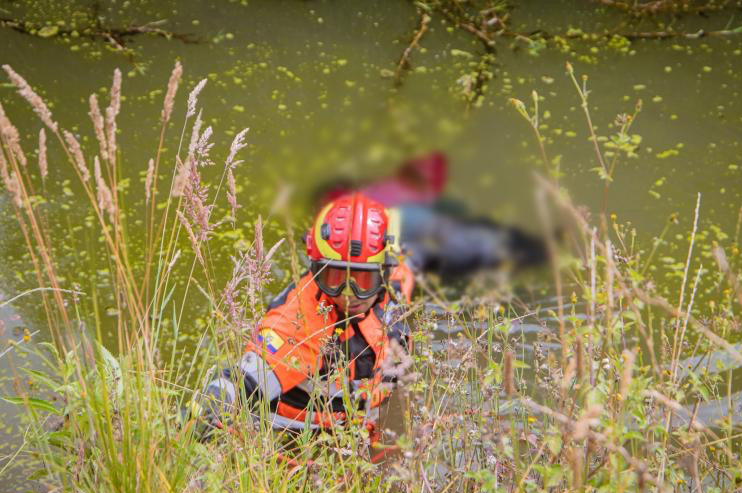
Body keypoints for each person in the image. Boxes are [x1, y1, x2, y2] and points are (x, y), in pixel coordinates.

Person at [192, 192, 414, 443]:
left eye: (363, 281)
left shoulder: (394, 283)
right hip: (296, 436)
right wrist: (208, 410)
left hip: (365, 424)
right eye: (335, 280)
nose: (350, 294)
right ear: (317, 271)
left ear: (385, 271)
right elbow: (245, 380)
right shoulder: (298, 319)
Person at [314, 152, 549, 277]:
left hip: (403, 227)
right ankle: (529, 248)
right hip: (407, 225)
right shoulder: (376, 192)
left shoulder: (357, 210)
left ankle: (528, 251)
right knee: (465, 238)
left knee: (463, 245)